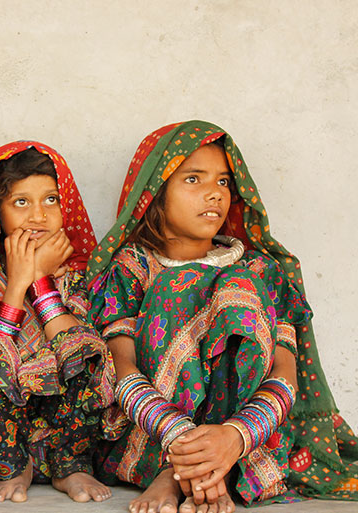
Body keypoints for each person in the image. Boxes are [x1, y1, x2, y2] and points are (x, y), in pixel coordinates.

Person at [88, 120, 358, 513]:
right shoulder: (131, 270)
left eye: (224, 182)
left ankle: (217, 468)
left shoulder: (261, 271)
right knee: (173, 287)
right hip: (152, 435)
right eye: (193, 179)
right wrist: (184, 444)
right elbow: (122, 368)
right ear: (155, 193)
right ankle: (183, 471)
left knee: (241, 286)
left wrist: (233, 437)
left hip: (246, 438)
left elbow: (285, 373)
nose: (214, 194)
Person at [0, 141, 115, 503]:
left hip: (65, 427)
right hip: (4, 435)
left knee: (87, 348)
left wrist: (42, 282)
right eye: (21, 202)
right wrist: (18, 284)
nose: (39, 215)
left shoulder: (81, 274)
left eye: (51, 199)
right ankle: (15, 465)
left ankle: (72, 464)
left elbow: (81, 351)